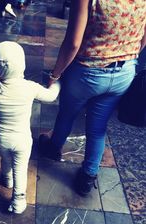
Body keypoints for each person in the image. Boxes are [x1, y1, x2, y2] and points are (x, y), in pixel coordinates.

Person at [39, 0, 146, 196]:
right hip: (125, 72)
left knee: (67, 113)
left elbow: (73, 43)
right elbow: (144, 37)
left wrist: (55, 74)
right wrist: (125, 57)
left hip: (87, 73)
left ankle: (53, 148)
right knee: (98, 128)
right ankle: (88, 177)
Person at [0, 41, 60, 214]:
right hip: (23, 140)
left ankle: (6, 179)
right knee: (21, 168)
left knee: (6, 160)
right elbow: (51, 96)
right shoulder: (29, 87)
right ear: (22, 64)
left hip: (2, 139)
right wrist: (56, 83)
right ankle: (18, 200)